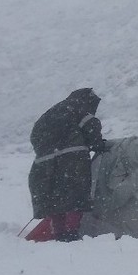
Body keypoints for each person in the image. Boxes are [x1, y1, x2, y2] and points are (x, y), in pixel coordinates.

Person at [28, 88, 107, 242]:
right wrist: (96, 143)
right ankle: (71, 232)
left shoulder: (50, 113)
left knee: (55, 199)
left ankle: (59, 233)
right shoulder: (78, 108)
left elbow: (35, 136)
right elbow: (91, 126)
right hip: (72, 159)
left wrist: (48, 152)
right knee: (76, 196)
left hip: (44, 163)